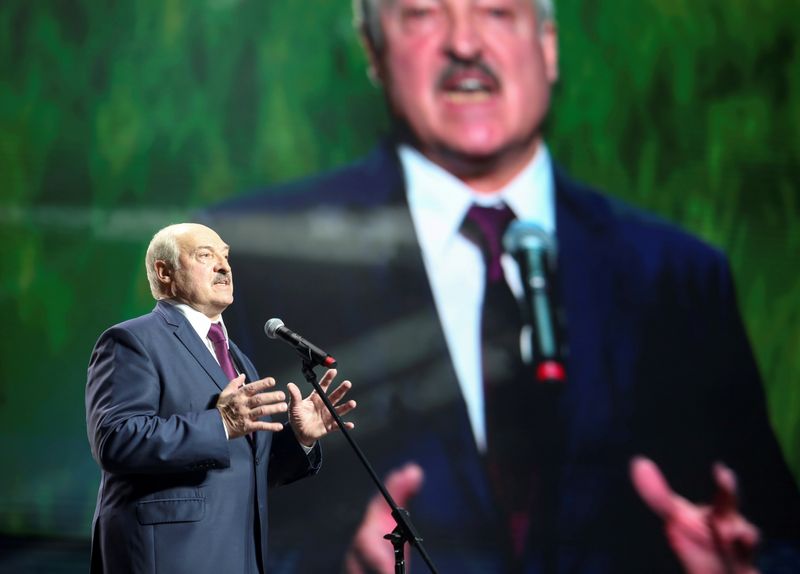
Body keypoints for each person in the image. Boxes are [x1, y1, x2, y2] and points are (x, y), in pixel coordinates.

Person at [202, 0, 800, 572]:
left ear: (548, 45)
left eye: (497, 10)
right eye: (422, 13)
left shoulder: (678, 276)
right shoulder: (253, 261)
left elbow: (777, 536)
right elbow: (172, 524)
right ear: (374, 50)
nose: (465, 43)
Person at [85, 223, 357, 573]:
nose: (224, 266)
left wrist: (298, 440)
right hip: (167, 558)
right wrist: (221, 422)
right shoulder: (132, 341)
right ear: (164, 272)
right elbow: (116, 440)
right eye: (205, 255)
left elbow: (243, 467)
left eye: (225, 257)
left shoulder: (238, 358)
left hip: (238, 557)